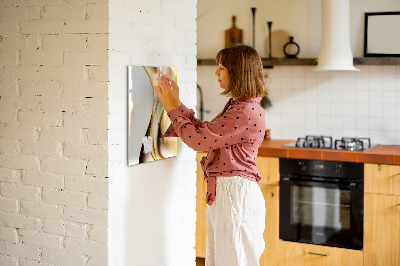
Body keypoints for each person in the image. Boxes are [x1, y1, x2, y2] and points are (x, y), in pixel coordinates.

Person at [155, 44, 267, 266]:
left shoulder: (244, 111)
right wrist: (176, 104)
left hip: (235, 197)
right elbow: (206, 133)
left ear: (238, 72)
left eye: (222, 67)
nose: (216, 73)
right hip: (230, 195)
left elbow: (198, 141)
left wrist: (170, 108)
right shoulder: (240, 106)